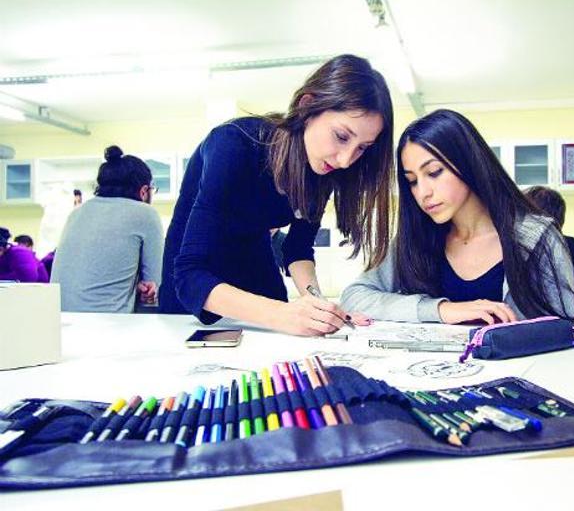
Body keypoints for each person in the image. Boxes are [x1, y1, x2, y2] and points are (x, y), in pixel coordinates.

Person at [159, 54, 393, 336]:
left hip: (255, 266)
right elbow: (190, 275)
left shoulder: (323, 170)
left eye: (362, 148)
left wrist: (319, 306)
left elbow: (297, 249)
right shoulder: (233, 145)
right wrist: (282, 314)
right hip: (194, 278)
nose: (346, 160)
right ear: (307, 107)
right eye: (341, 137)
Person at [340, 109, 574, 324]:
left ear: (468, 163)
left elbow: (563, 330)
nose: (423, 192)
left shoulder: (537, 238)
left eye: (434, 172)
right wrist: (440, 310)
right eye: (412, 181)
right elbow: (354, 297)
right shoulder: (415, 239)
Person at [50, 146, 163, 312]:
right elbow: (154, 286)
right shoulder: (146, 214)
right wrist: (148, 291)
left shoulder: (76, 213)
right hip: (108, 322)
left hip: (59, 319)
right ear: (144, 191)